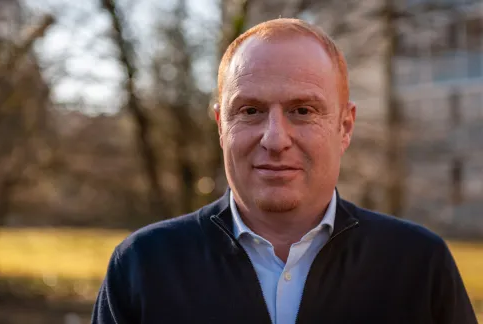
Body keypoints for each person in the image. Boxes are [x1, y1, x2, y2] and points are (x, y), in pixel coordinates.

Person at [91, 18, 477, 324]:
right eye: (251, 111)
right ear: (220, 127)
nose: (275, 139)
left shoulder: (418, 266)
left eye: (303, 110)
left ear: (345, 127)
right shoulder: (144, 266)